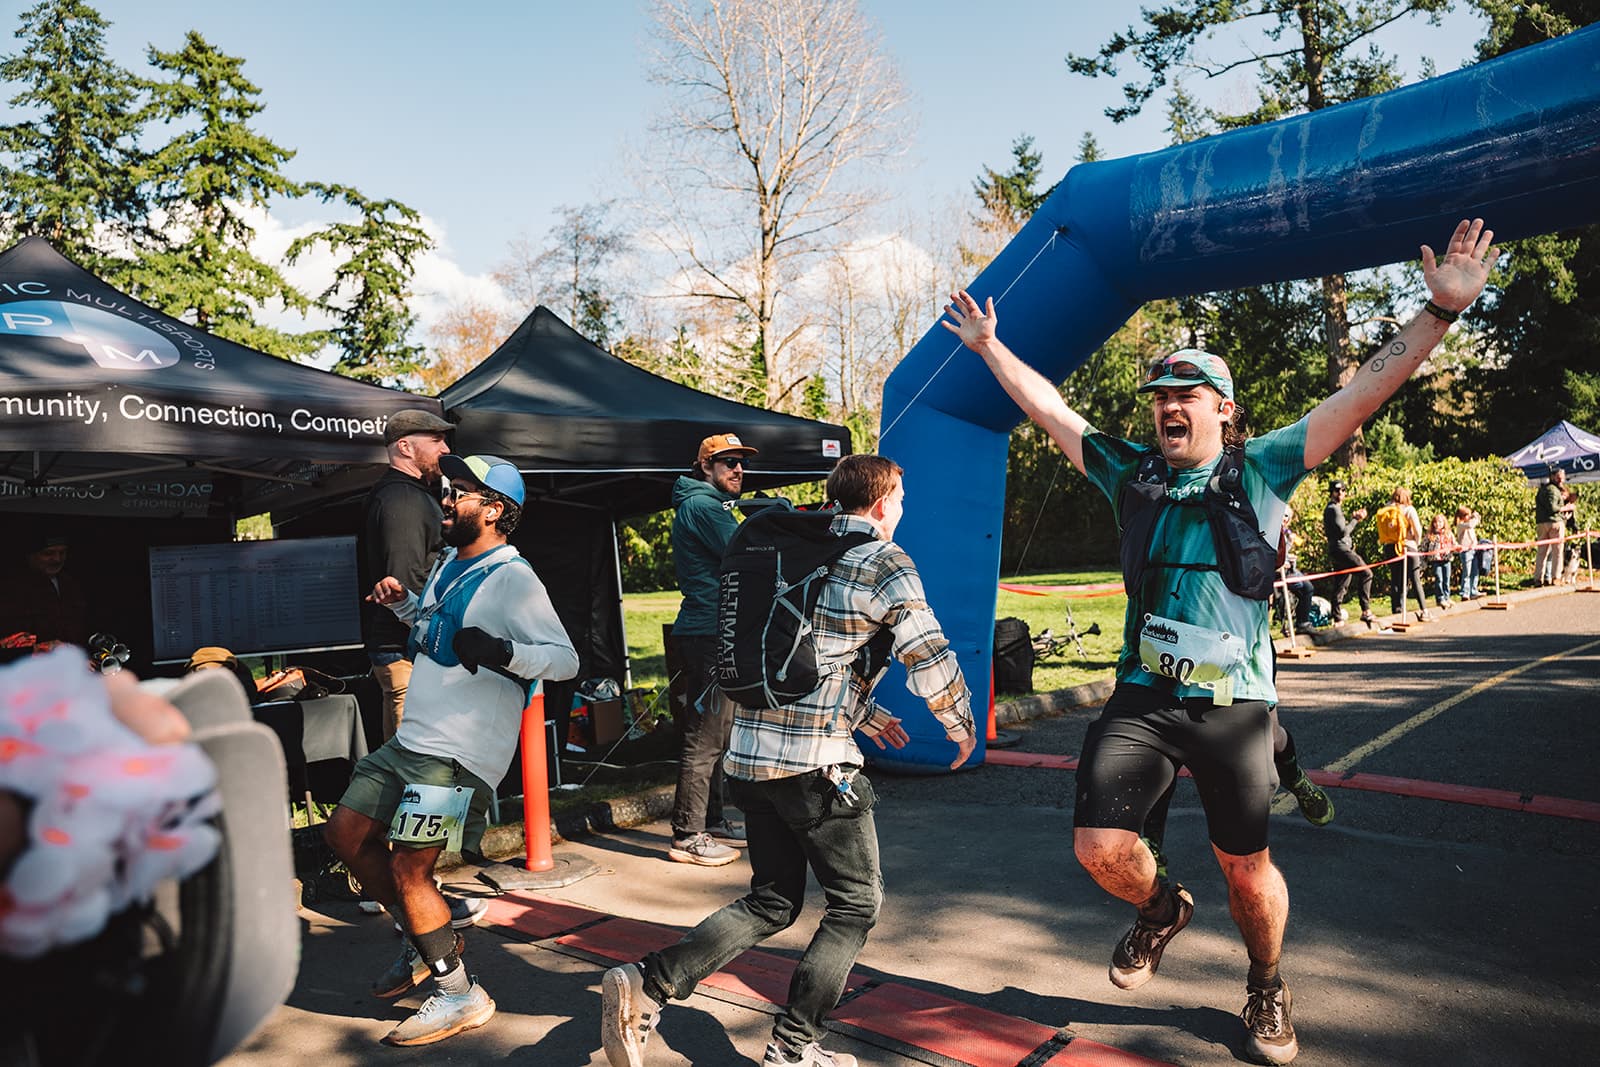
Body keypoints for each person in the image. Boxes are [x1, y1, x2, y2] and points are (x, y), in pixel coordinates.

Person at [942, 218, 1497, 1065]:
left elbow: (1361, 397)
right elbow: (1049, 408)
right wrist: (989, 347)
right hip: (1145, 693)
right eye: (1160, 395)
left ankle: (1266, 980)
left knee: (1246, 869)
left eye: (1186, 393)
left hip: (1234, 703)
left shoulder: (1265, 466)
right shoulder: (1132, 472)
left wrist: (1439, 316)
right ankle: (1163, 908)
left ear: (1223, 409)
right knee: (1101, 849)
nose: (1168, 405)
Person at [601, 453, 977, 1067]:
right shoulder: (882, 560)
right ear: (883, 504)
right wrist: (960, 726)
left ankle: (651, 981)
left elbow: (802, 657)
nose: (901, 511)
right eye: (900, 501)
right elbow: (925, 649)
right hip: (816, 768)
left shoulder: (791, 551)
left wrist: (865, 714)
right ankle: (795, 1048)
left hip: (748, 760)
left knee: (774, 901)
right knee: (856, 903)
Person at [325, 454, 579, 1047]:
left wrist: (503, 651)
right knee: (345, 838)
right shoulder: (445, 565)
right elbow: (432, 634)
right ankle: (427, 940)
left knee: (410, 867)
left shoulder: (516, 578)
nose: (446, 498)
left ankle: (459, 992)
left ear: (495, 510)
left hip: (459, 754)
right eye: (449, 487)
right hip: (411, 740)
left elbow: (565, 659)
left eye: (461, 491)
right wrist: (403, 606)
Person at [665, 432, 758, 866]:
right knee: (705, 735)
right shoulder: (704, 506)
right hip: (708, 633)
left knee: (719, 734)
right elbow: (751, 554)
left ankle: (713, 819)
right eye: (727, 463)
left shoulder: (709, 505)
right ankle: (688, 834)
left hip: (710, 631)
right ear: (706, 468)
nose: (737, 470)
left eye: (740, 462)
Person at [360, 408, 453, 740]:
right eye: (436, 440)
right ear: (405, 447)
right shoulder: (401, 498)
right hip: (404, 650)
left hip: (410, 647)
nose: (445, 449)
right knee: (412, 759)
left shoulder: (413, 494)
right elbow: (403, 582)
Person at [0, 533, 89, 650]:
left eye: (62, 553)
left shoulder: (70, 583)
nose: (57, 559)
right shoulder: (11, 588)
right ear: (31, 556)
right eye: (48, 553)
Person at [1323, 481, 1376, 626]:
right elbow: (1343, 532)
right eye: (1337, 491)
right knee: (1366, 573)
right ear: (1331, 492)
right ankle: (1365, 611)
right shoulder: (1333, 509)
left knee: (1342, 583)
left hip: (1337, 549)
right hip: (1341, 549)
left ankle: (1337, 617)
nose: (1340, 493)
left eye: (1343, 490)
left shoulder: (1334, 509)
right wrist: (1356, 520)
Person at [1376, 486, 1430, 621]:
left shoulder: (1387, 510)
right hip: (1408, 547)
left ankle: (1397, 610)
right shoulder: (1409, 509)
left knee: (1396, 579)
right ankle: (1424, 610)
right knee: (1415, 579)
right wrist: (1416, 543)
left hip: (1390, 548)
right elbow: (1417, 529)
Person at [1278, 504, 1316, 635]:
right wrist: (1289, 544)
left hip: (1290, 569)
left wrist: (1290, 556)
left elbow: (1285, 553)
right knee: (1303, 589)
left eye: (1287, 517)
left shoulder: (1286, 532)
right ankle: (1296, 624)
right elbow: (1279, 554)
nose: (1284, 519)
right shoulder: (1276, 531)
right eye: (1282, 515)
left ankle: (1302, 623)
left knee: (1308, 588)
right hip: (1279, 572)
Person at [1533, 468, 1569, 586]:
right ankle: (1555, 577)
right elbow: (1553, 508)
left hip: (1541, 523)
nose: (1561, 480)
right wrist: (1566, 508)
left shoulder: (1542, 489)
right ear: (1553, 477)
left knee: (1541, 551)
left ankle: (1538, 578)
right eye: (1559, 477)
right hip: (1554, 523)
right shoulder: (1553, 490)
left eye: (1563, 477)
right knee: (1557, 551)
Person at [1421, 513, 1457, 610]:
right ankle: (1440, 598)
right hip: (1436, 560)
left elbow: (1454, 544)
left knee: (1446, 579)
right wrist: (1423, 560)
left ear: (1444, 523)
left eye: (1440, 522)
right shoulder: (1430, 535)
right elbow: (1423, 547)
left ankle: (1447, 597)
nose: (1438, 524)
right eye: (1436, 522)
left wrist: (1457, 548)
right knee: (1439, 578)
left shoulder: (1448, 534)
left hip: (1446, 559)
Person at [1452, 505, 1482, 600]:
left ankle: (1473, 590)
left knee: (1475, 571)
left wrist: (1475, 516)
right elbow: (1471, 525)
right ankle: (1465, 592)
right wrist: (1475, 518)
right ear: (1462, 516)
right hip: (1466, 551)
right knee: (1467, 572)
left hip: (1473, 550)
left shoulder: (1468, 524)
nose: (1469, 517)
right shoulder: (1461, 525)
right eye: (1467, 515)